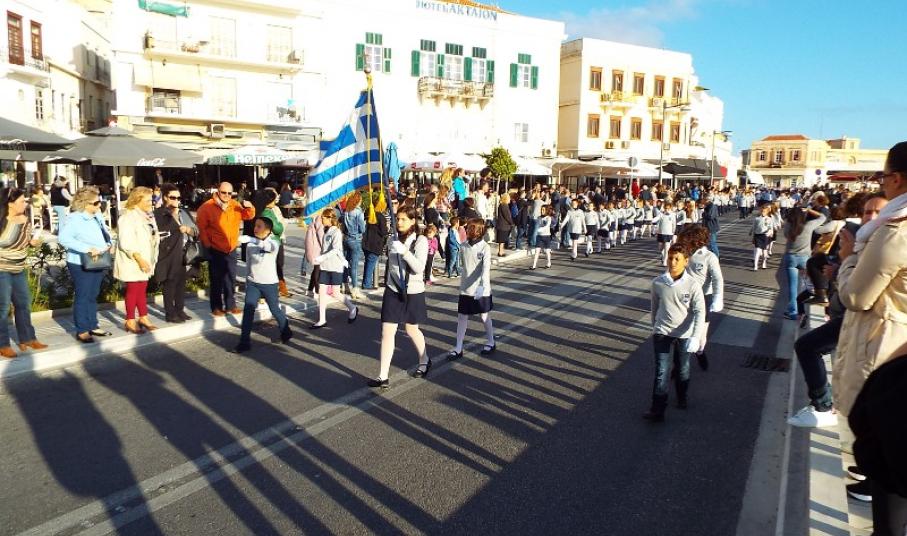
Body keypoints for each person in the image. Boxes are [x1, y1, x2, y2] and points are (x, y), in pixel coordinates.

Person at [787, 194, 888, 429]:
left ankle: (826, 406)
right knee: (821, 353)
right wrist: (838, 270)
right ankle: (828, 405)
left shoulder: (883, 245)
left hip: (868, 319)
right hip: (849, 314)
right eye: (867, 212)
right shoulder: (865, 240)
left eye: (878, 212)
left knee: (810, 347)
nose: (870, 217)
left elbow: (858, 295)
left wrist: (847, 259)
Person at [367, 205, 430, 388]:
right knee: (387, 331)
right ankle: (383, 376)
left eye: (403, 219)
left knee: (411, 329)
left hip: (412, 291)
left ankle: (424, 359)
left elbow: (419, 267)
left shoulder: (420, 240)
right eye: (397, 218)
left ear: (412, 221)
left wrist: (404, 252)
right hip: (393, 289)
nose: (399, 222)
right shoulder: (392, 239)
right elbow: (390, 266)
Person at [644, 244, 706, 422]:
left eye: (677, 259)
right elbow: (654, 308)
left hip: (684, 335)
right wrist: (655, 327)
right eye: (670, 258)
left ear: (686, 261)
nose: (672, 262)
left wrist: (696, 336)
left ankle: (681, 396)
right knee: (662, 372)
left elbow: (700, 311)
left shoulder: (693, 285)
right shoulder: (658, 283)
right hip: (662, 333)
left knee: (682, 369)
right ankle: (658, 410)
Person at [58, 186, 115, 344]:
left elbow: (104, 233)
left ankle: (92, 325)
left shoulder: (97, 216)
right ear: (85, 203)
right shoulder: (75, 219)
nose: (99, 205)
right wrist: (87, 249)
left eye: (100, 202)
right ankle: (82, 329)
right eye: (96, 203)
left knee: (93, 294)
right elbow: (63, 238)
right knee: (83, 295)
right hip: (81, 262)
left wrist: (109, 243)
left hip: (98, 259)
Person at [0, 188, 48, 358]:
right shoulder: (2, 221)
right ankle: (3, 344)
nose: (25, 204)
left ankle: (27, 339)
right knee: (3, 307)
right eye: (21, 201)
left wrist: (33, 242)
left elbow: (24, 241)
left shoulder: (26, 219)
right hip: (2, 269)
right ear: (10, 204)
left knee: (23, 304)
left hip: (19, 268)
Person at [233, 217, 292, 353]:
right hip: (253, 283)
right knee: (248, 311)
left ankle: (286, 331)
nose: (255, 228)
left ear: (268, 230)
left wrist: (252, 239)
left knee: (275, 310)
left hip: (269, 284)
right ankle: (244, 343)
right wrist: (248, 280)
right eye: (255, 226)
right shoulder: (251, 245)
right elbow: (249, 265)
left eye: (259, 226)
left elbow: (268, 247)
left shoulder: (274, 242)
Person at [197, 181, 256, 316]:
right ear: (218, 192)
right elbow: (202, 228)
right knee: (216, 279)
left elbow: (248, 216)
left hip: (231, 248)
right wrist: (207, 245)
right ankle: (216, 307)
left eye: (230, 193)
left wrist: (250, 207)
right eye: (224, 192)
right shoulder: (207, 207)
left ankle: (231, 305)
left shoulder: (235, 204)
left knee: (230, 278)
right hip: (215, 248)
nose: (227, 195)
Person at [677, 225, 724, 371]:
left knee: (701, 333)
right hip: (685, 296)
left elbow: (717, 278)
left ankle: (700, 351)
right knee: (682, 330)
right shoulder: (684, 253)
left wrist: (718, 297)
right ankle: (680, 365)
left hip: (704, 297)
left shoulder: (709, 257)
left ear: (695, 240)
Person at [114, 186, 161, 334]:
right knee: (133, 289)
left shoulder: (146, 215)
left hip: (146, 258)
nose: (150, 203)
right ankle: (129, 319)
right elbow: (126, 241)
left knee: (142, 289)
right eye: (147, 200)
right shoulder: (127, 217)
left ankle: (143, 317)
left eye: (151, 200)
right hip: (134, 259)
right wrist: (139, 259)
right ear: (137, 200)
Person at [448, 217, 496, 360]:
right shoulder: (463, 246)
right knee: (462, 316)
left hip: (481, 288)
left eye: (471, 228)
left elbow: (486, 269)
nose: (467, 230)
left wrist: (482, 285)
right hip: (466, 289)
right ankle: (458, 347)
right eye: (468, 227)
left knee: (484, 315)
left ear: (479, 231)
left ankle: (491, 341)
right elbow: (464, 265)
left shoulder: (485, 247)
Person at [154, 183, 198, 323]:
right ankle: (170, 313)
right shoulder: (159, 213)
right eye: (173, 197)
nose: (177, 200)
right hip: (168, 252)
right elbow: (159, 232)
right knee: (170, 283)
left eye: (178, 198)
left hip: (184, 252)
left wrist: (188, 230)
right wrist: (173, 217)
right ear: (165, 197)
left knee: (181, 283)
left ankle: (180, 310)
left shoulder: (183, 212)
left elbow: (196, 231)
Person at [311, 208, 357, 328]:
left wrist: (322, 257)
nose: (322, 220)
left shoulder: (336, 232)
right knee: (322, 293)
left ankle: (352, 307)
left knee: (336, 293)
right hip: (325, 266)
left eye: (323, 218)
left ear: (330, 218)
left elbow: (336, 250)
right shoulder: (327, 230)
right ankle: (322, 319)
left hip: (335, 266)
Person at [782, 205, 827, 319]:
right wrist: (809, 210)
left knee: (792, 287)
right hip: (805, 258)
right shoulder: (808, 226)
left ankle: (793, 312)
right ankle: (804, 307)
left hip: (790, 258)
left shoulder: (788, 226)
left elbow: (786, 230)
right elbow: (823, 217)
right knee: (808, 284)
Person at [341, 192, 366, 299]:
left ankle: (344, 285)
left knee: (346, 263)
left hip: (346, 238)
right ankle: (355, 289)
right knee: (354, 266)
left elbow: (343, 226)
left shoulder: (346, 211)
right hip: (355, 239)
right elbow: (362, 229)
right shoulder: (358, 212)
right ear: (357, 200)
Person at [362, 200, 388, 291]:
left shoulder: (368, 213)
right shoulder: (380, 216)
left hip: (366, 242)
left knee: (368, 263)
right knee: (371, 264)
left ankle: (366, 282)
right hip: (375, 243)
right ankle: (367, 284)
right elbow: (384, 232)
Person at [304, 211, 325, 296]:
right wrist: (326, 247)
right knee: (318, 270)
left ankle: (310, 289)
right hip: (317, 249)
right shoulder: (320, 220)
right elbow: (321, 236)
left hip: (312, 247)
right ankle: (318, 291)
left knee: (316, 269)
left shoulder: (314, 219)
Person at [750, 204, 773, 271]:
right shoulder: (757, 219)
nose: (763, 212)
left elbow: (771, 228)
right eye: (762, 211)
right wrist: (752, 234)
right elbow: (754, 227)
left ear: (767, 212)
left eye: (764, 211)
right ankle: (755, 266)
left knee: (764, 252)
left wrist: (770, 233)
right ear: (760, 211)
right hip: (758, 236)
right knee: (757, 251)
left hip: (765, 236)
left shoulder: (769, 219)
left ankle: (764, 263)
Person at [494, 192, 513, 256]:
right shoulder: (504, 205)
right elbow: (507, 216)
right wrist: (511, 222)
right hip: (503, 225)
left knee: (502, 240)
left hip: (502, 225)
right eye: (509, 198)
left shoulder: (502, 205)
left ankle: (501, 251)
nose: (510, 199)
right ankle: (500, 252)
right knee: (502, 240)